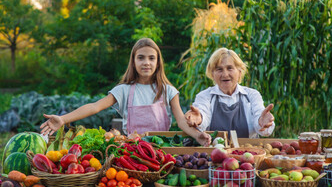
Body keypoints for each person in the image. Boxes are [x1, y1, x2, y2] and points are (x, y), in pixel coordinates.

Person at [40, 38, 211, 146]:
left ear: (158, 62)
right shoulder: (124, 90)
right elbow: (94, 107)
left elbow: (181, 121)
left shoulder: (168, 90)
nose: (146, 62)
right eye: (141, 57)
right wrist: (63, 119)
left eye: (152, 58)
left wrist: (198, 136)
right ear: (133, 61)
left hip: (162, 151)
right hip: (132, 152)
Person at [185, 48, 275, 138]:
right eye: (219, 69)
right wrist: (199, 120)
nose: (225, 74)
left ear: (239, 72)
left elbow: (262, 126)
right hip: (214, 151)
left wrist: (262, 122)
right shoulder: (204, 96)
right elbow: (203, 116)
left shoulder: (252, 95)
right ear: (212, 74)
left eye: (230, 68)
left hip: (249, 150)